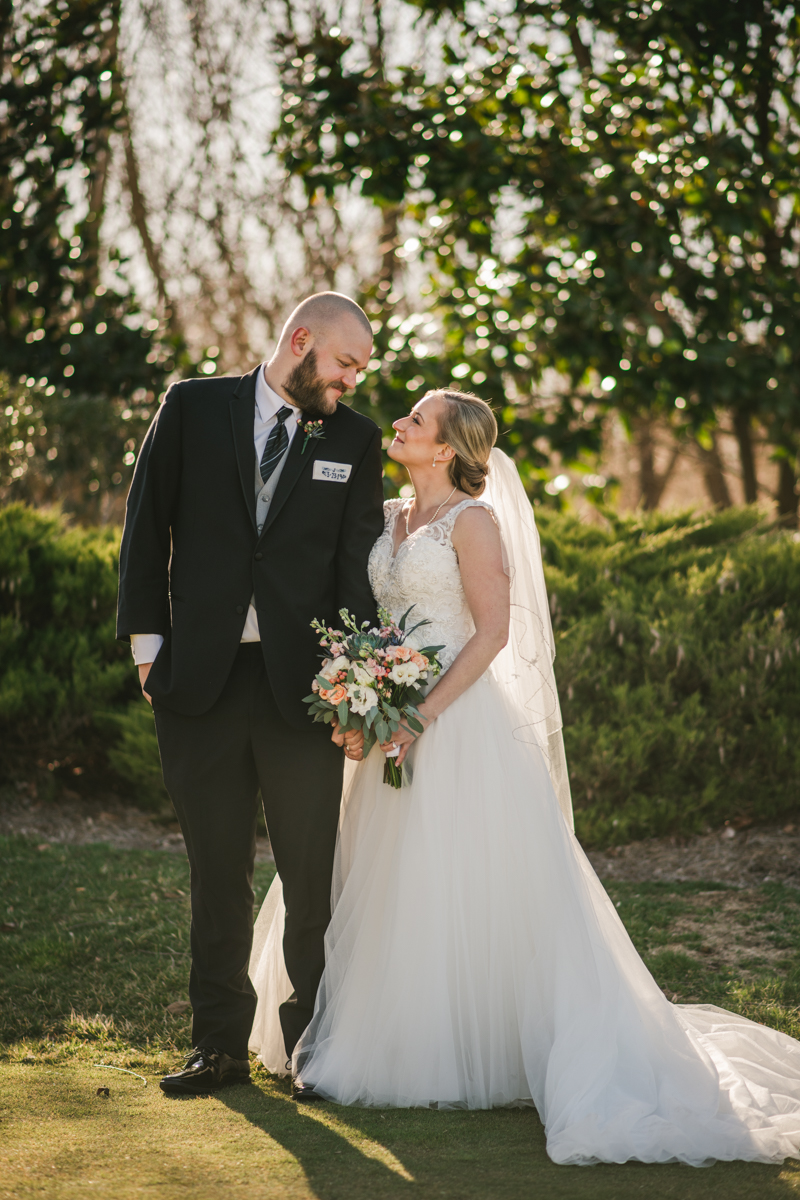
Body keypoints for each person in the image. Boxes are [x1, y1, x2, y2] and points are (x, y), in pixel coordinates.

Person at [249, 388, 800, 1165]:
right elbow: (362, 613)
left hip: (455, 720)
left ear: (446, 449)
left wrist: (421, 713)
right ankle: (367, 1028)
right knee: (374, 876)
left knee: (457, 880)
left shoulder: (474, 523)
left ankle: (465, 1049)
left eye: (415, 421)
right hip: (385, 717)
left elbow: (494, 632)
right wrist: (360, 690)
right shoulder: (385, 515)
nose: (398, 425)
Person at [116, 292, 384, 1096]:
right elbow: (144, 526)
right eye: (344, 364)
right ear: (300, 341)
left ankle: (311, 1049)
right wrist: (146, 650)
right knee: (216, 868)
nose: (349, 382)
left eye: (359, 371)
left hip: (304, 689)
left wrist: (354, 683)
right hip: (197, 680)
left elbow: (355, 566)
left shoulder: (356, 438)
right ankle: (218, 1047)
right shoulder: (192, 408)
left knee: (309, 876)